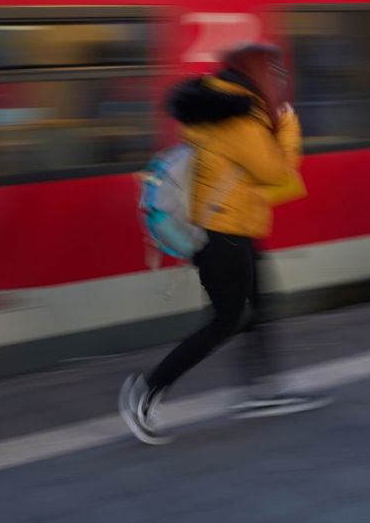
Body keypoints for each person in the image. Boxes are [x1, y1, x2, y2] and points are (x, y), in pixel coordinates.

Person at [119, 43, 322, 445]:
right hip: (223, 234)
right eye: (276, 72)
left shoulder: (222, 106)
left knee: (261, 305)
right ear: (258, 73)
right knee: (226, 319)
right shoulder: (238, 117)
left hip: (236, 229)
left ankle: (261, 390)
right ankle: (146, 390)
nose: (281, 80)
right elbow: (275, 170)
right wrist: (288, 124)